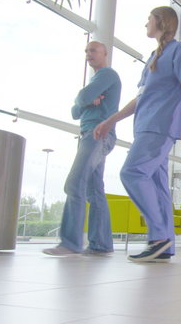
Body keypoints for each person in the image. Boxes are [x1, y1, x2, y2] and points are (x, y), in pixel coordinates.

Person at [94, 6, 181, 263]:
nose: (145, 24)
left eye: (149, 20)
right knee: (157, 186)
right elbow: (139, 98)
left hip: (159, 126)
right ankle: (165, 246)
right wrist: (110, 120)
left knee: (132, 173)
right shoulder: (153, 57)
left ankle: (159, 237)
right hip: (145, 126)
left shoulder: (179, 50)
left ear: (162, 22)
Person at [43, 42, 121, 256]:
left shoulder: (108, 75)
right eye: (86, 51)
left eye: (93, 50)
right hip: (89, 134)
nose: (88, 54)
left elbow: (82, 99)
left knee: (75, 183)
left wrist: (85, 99)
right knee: (94, 191)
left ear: (105, 53)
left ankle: (70, 243)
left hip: (98, 133)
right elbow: (74, 112)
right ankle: (101, 244)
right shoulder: (96, 81)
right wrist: (85, 100)